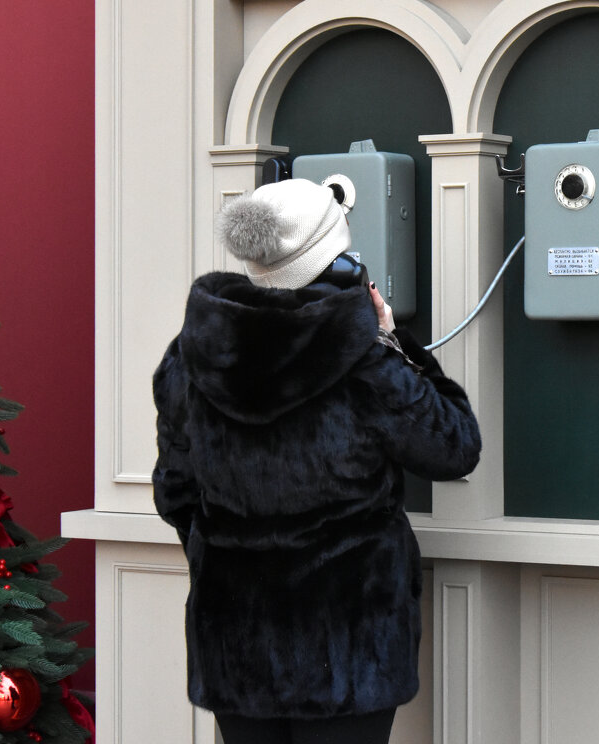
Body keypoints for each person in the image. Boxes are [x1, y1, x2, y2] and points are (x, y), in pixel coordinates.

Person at [151, 178, 481, 744]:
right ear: (336, 258)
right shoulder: (363, 359)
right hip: (350, 643)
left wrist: (231, 553)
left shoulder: (191, 354)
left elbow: (174, 493)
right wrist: (393, 340)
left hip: (237, 637)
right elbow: (454, 447)